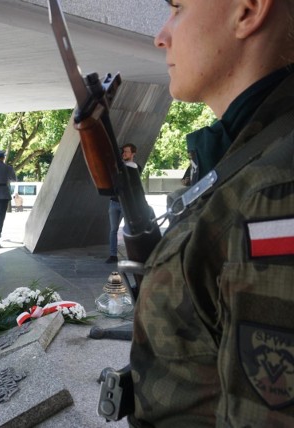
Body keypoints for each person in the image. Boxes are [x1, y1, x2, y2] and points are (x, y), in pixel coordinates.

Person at [126, 1, 294, 426]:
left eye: (179, 8)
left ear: (248, 11)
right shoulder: (246, 153)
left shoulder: (276, 191)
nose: (161, 35)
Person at [105, 143, 141, 263]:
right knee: (113, 229)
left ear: (133, 154)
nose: (124, 154)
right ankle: (113, 255)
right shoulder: (118, 167)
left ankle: (133, 255)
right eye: (123, 152)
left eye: (126, 152)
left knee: (128, 229)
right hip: (114, 202)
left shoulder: (135, 167)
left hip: (126, 203)